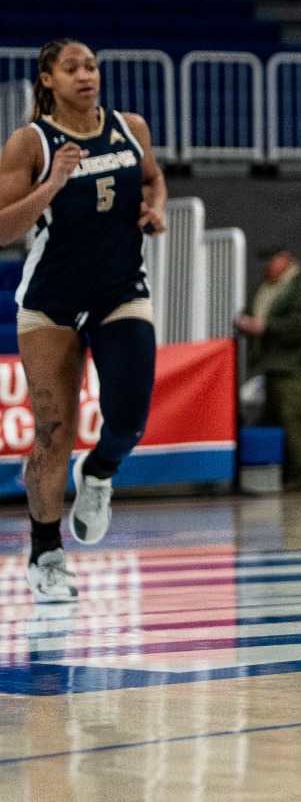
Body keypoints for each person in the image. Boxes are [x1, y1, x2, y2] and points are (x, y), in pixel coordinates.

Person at [0, 40, 166, 603]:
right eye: (70, 68)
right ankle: (45, 553)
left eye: (91, 65)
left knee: (129, 421)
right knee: (52, 432)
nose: (85, 75)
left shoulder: (129, 127)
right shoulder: (31, 142)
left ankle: (98, 474)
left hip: (119, 289)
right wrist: (52, 185)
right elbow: (1, 230)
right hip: (52, 302)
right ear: (46, 79)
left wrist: (156, 207)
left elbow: (151, 179)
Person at [238, 247, 301, 493]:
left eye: (271, 260)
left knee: (294, 424)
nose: (267, 266)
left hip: (295, 369)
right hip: (271, 368)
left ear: (286, 259)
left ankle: (296, 480)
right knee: (270, 424)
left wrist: (265, 327)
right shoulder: (265, 287)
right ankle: (274, 478)